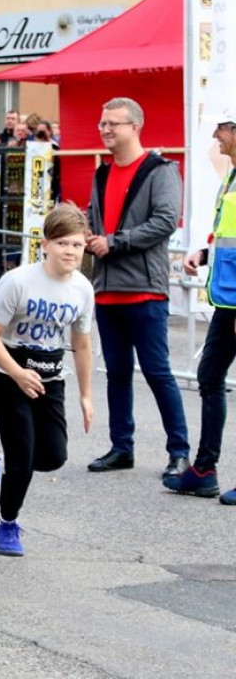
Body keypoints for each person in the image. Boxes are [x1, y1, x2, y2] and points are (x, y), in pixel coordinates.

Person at [0, 203, 95, 556]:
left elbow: (82, 344)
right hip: (9, 372)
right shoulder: (18, 282)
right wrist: (16, 372)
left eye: (77, 245)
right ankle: (7, 524)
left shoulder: (83, 290)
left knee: (53, 457)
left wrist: (86, 396)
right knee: (22, 459)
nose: (70, 251)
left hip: (50, 377)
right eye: (62, 243)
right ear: (45, 244)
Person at [85, 97, 190, 476]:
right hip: (106, 289)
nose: (105, 130)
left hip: (145, 289)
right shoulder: (102, 173)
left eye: (113, 123)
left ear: (135, 127)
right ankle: (121, 447)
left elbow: (165, 222)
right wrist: (80, 231)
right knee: (116, 372)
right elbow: (94, 217)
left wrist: (114, 241)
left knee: (157, 371)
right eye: (102, 124)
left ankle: (179, 452)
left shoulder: (160, 170)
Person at [165, 111, 236, 504]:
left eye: (222, 129)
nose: (215, 135)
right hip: (227, 299)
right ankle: (204, 470)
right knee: (209, 377)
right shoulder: (232, 176)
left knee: (211, 377)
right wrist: (204, 254)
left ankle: (205, 468)